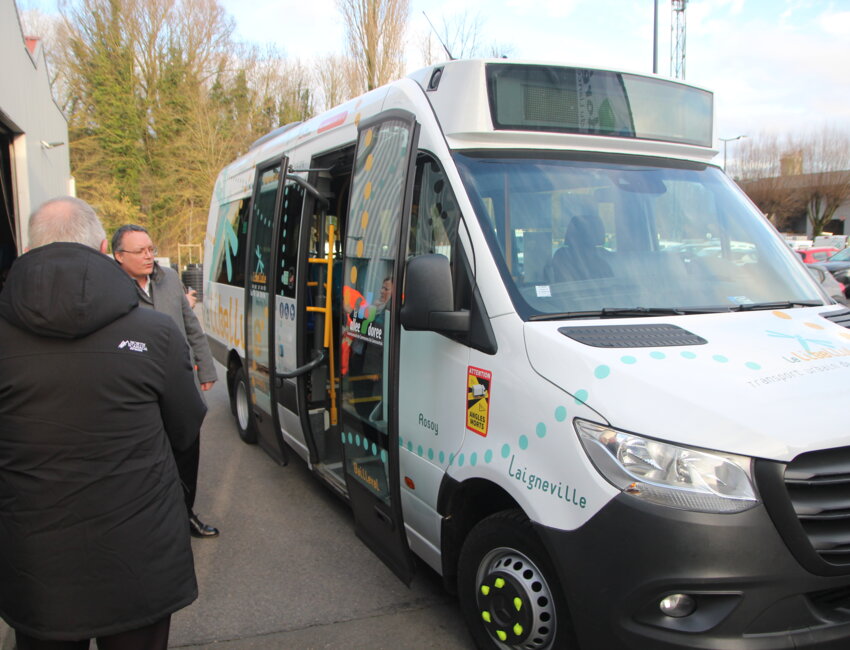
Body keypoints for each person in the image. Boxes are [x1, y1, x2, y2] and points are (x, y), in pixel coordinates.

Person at [0, 197, 206, 649]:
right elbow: (186, 427)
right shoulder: (156, 333)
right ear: (100, 248)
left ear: (29, 248)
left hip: (36, 567)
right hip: (138, 558)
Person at [111, 224, 220, 538]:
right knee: (146, 460)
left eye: (151, 249)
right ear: (119, 256)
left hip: (178, 382)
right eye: (140, 251)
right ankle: (149, 526)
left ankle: (186, 515)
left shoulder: (169, 278)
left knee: (187, 451)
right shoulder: (110, 288)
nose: (149, 256)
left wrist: (207, 366)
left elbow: (190, 325)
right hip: (137, 387)